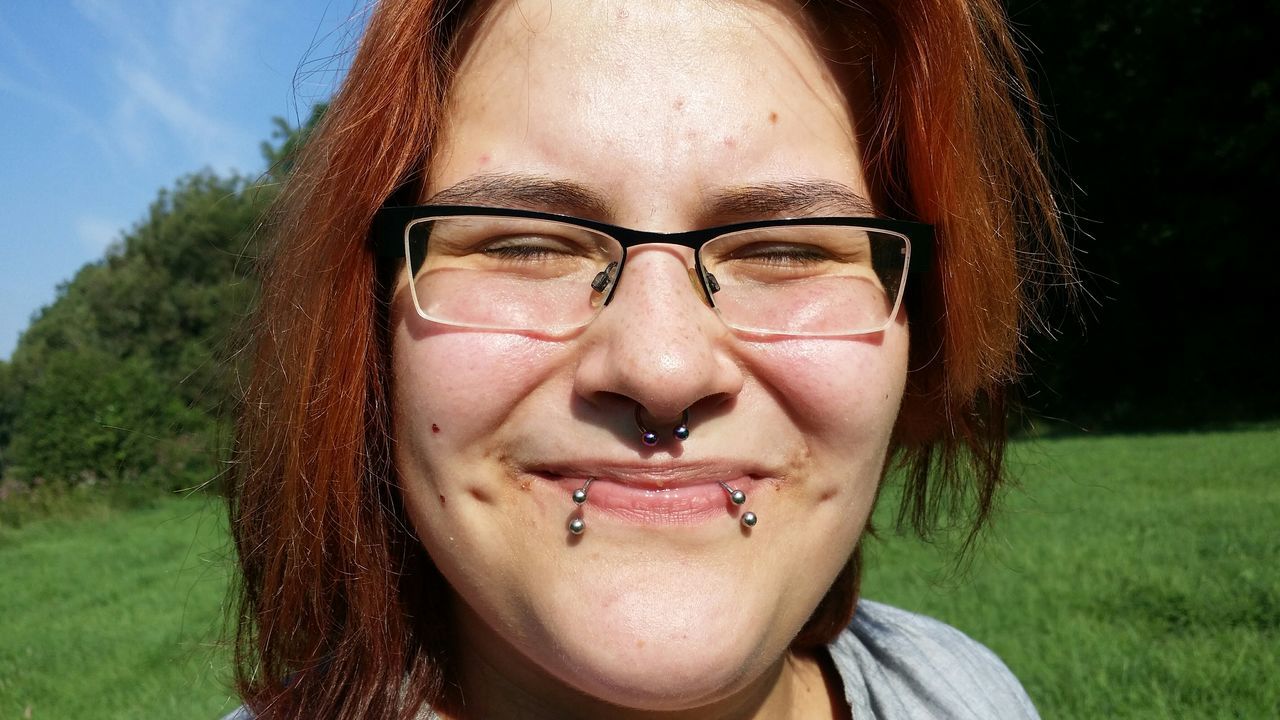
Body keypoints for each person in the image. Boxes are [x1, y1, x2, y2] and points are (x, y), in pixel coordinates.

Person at [226, 0, 1071, 717]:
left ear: (920, 324)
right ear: (369, 321)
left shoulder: (959, 691)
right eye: (524, 245)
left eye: (785, 251)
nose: (662, 368)